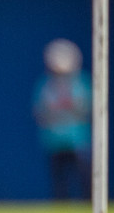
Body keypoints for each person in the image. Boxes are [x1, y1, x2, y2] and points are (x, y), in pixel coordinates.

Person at [33, 38, 91, 201]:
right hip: (54, 140)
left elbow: (86, 107)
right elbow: (40, 110)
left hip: (77, 139)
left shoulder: (81, 83)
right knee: (59, 179)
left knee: (84, 176)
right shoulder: (45, 85)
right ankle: (61, 207)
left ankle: (88, 204)